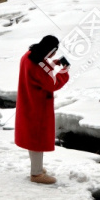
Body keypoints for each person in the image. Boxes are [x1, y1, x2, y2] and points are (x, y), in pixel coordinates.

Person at [14, 35, 70, 184]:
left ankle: (36, 167)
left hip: (28, 102)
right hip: (38, 106)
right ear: (51, 50)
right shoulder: (38, 65)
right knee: (37, 139)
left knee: (32, 137)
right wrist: (64, 71)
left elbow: (43, 70)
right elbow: (53, 84)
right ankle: (36, 174)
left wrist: (54, 65)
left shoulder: (29, 56)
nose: (53, 56)